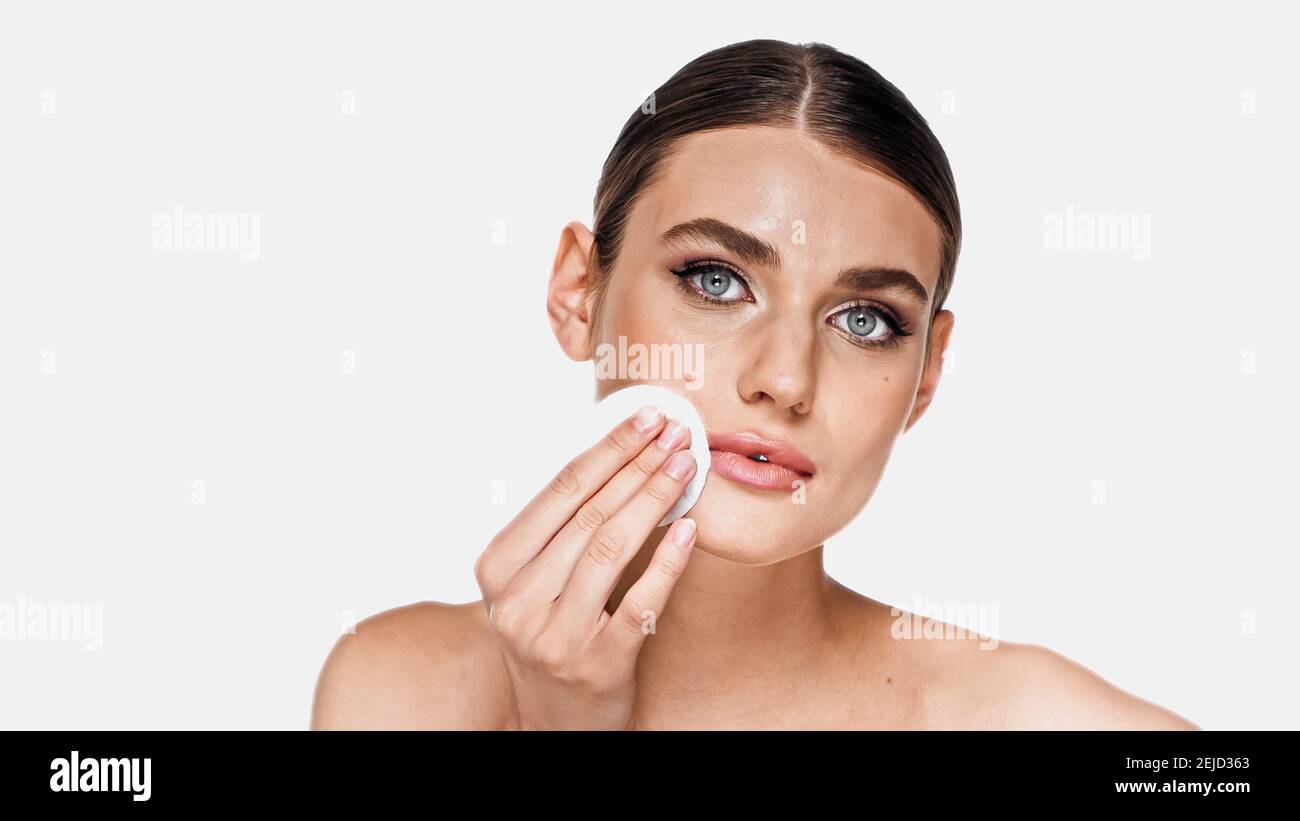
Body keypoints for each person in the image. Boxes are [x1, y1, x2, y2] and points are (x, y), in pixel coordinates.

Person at [310, 39, 1199, 730]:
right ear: (579, 292)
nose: (784, 379)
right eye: (715, 279)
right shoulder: (396, 687)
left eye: (865, 320)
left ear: (927, 372)